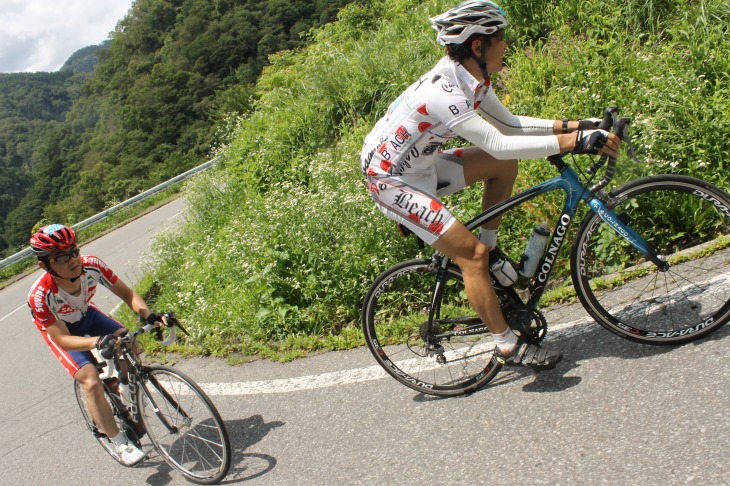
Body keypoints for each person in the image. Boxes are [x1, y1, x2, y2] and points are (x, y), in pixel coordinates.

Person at [361, 0, 621, 370]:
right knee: (472, 259)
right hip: (390, 179)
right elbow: (496, 140)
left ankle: (491, 247)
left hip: (422, 165)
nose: (507, 45)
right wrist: (574, 143)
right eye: (501, 38)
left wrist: (576, 126)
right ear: (479, 45)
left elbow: (511, 125)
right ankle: (506, 345)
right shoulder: (445, 93)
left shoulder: (472, 79)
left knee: (504, 166)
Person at [26, 224, 165, 466]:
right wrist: (97, 341)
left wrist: (148, 314)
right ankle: (119, 442)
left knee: (129, 343)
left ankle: (123, 384)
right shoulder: (40, 295)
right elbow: (61, 339)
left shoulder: (92, 265)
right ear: (44, 265)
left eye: (74, 251)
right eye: (61, 256)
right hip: (63, 332)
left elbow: (127, 294)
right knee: (90, 379)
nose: (72, 260)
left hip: (87, 315)